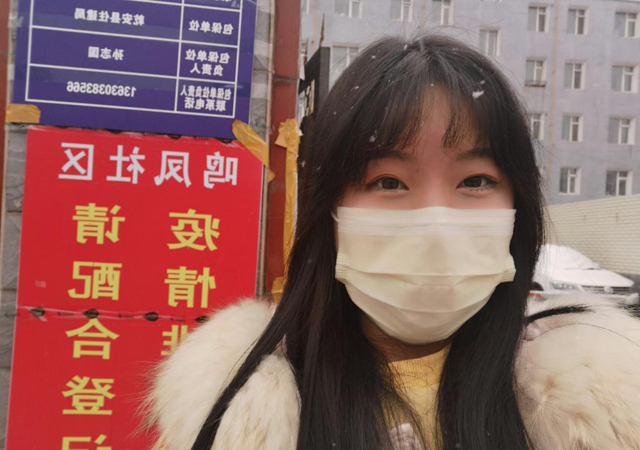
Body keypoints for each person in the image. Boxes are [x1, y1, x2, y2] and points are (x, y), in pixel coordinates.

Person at [146, 34, 640, 450]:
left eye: (475, 181)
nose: (436, 224)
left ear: (519, 206)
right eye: (388, 182)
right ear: (329, 210)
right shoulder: (234, 413)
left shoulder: (602, 408)